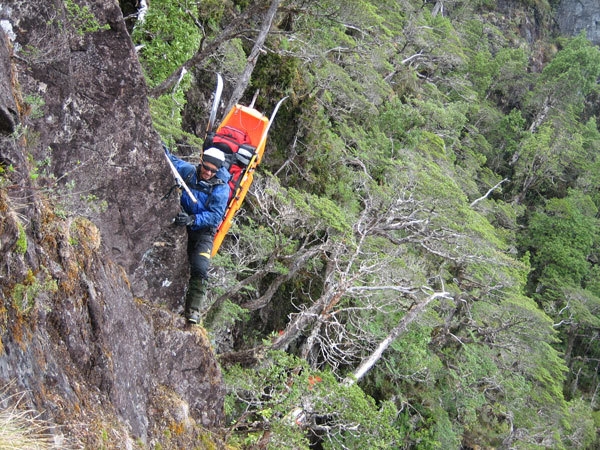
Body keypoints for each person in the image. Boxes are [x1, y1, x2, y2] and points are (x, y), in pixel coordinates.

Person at [167, 146, 231, 324]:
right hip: (184, 221)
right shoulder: (189, 172)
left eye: (213, 170)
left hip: (203, 231)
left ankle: (193, 311)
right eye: (206, 167)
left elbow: (215, 216)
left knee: (200, 267)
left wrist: (193, 219)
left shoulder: (221, 189)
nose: (208, 172)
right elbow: (172, 161)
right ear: (201, 163)